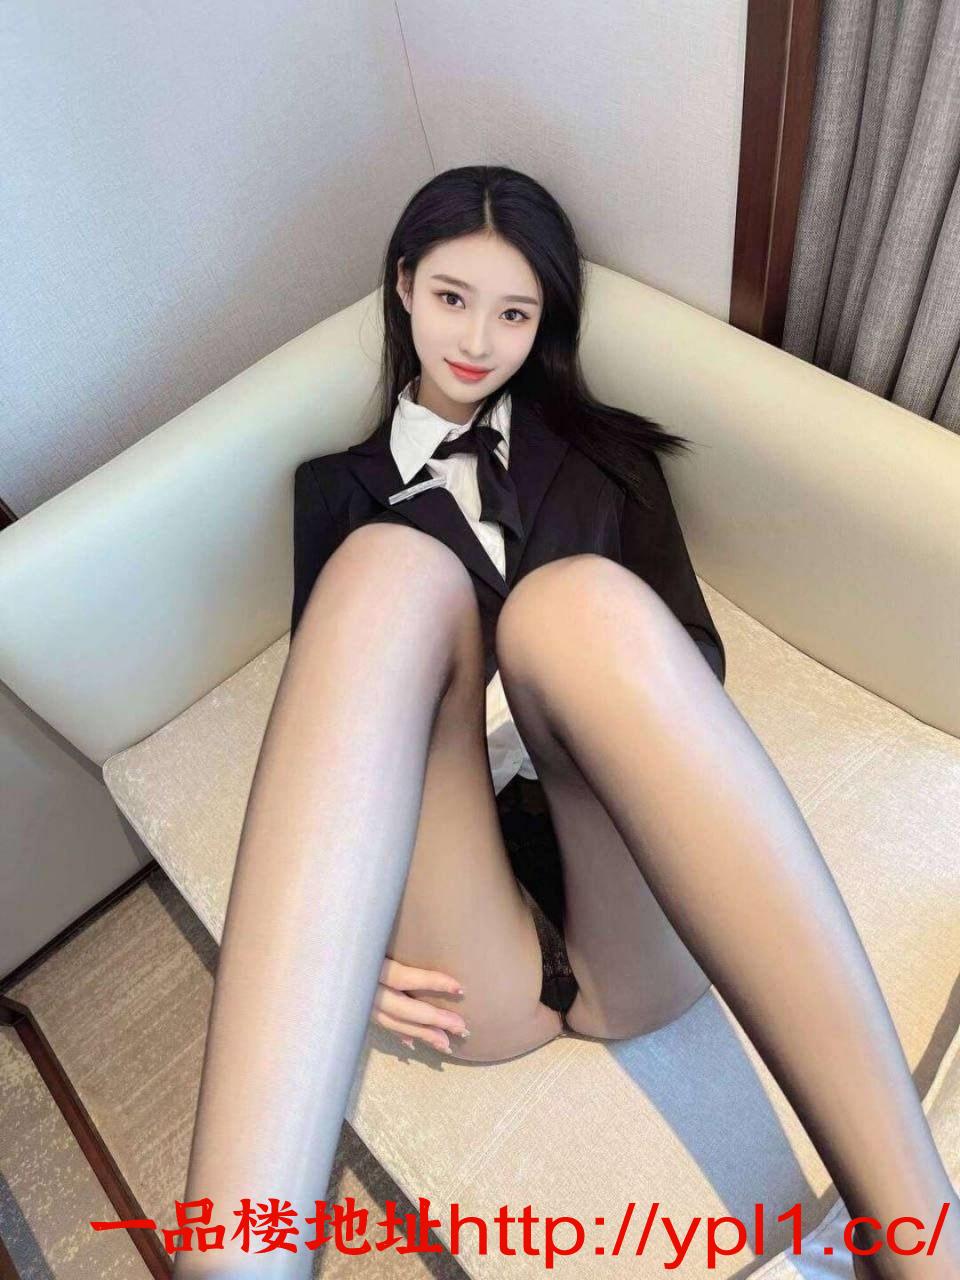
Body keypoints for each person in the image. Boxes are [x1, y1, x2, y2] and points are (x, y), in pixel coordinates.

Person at [174, 166, 959, 1279]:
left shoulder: (609, 457)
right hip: (468, 942)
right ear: (402, 286)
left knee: (571, 607)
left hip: (619, 865)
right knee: (388, 572)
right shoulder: (333, 493)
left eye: (513, 312)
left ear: (544, 322)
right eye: (452, 298)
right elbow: (336, 725)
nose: (476, 339)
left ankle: (928, 1248)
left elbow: (689, 665)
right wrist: (346, 932)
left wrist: (541, 683)